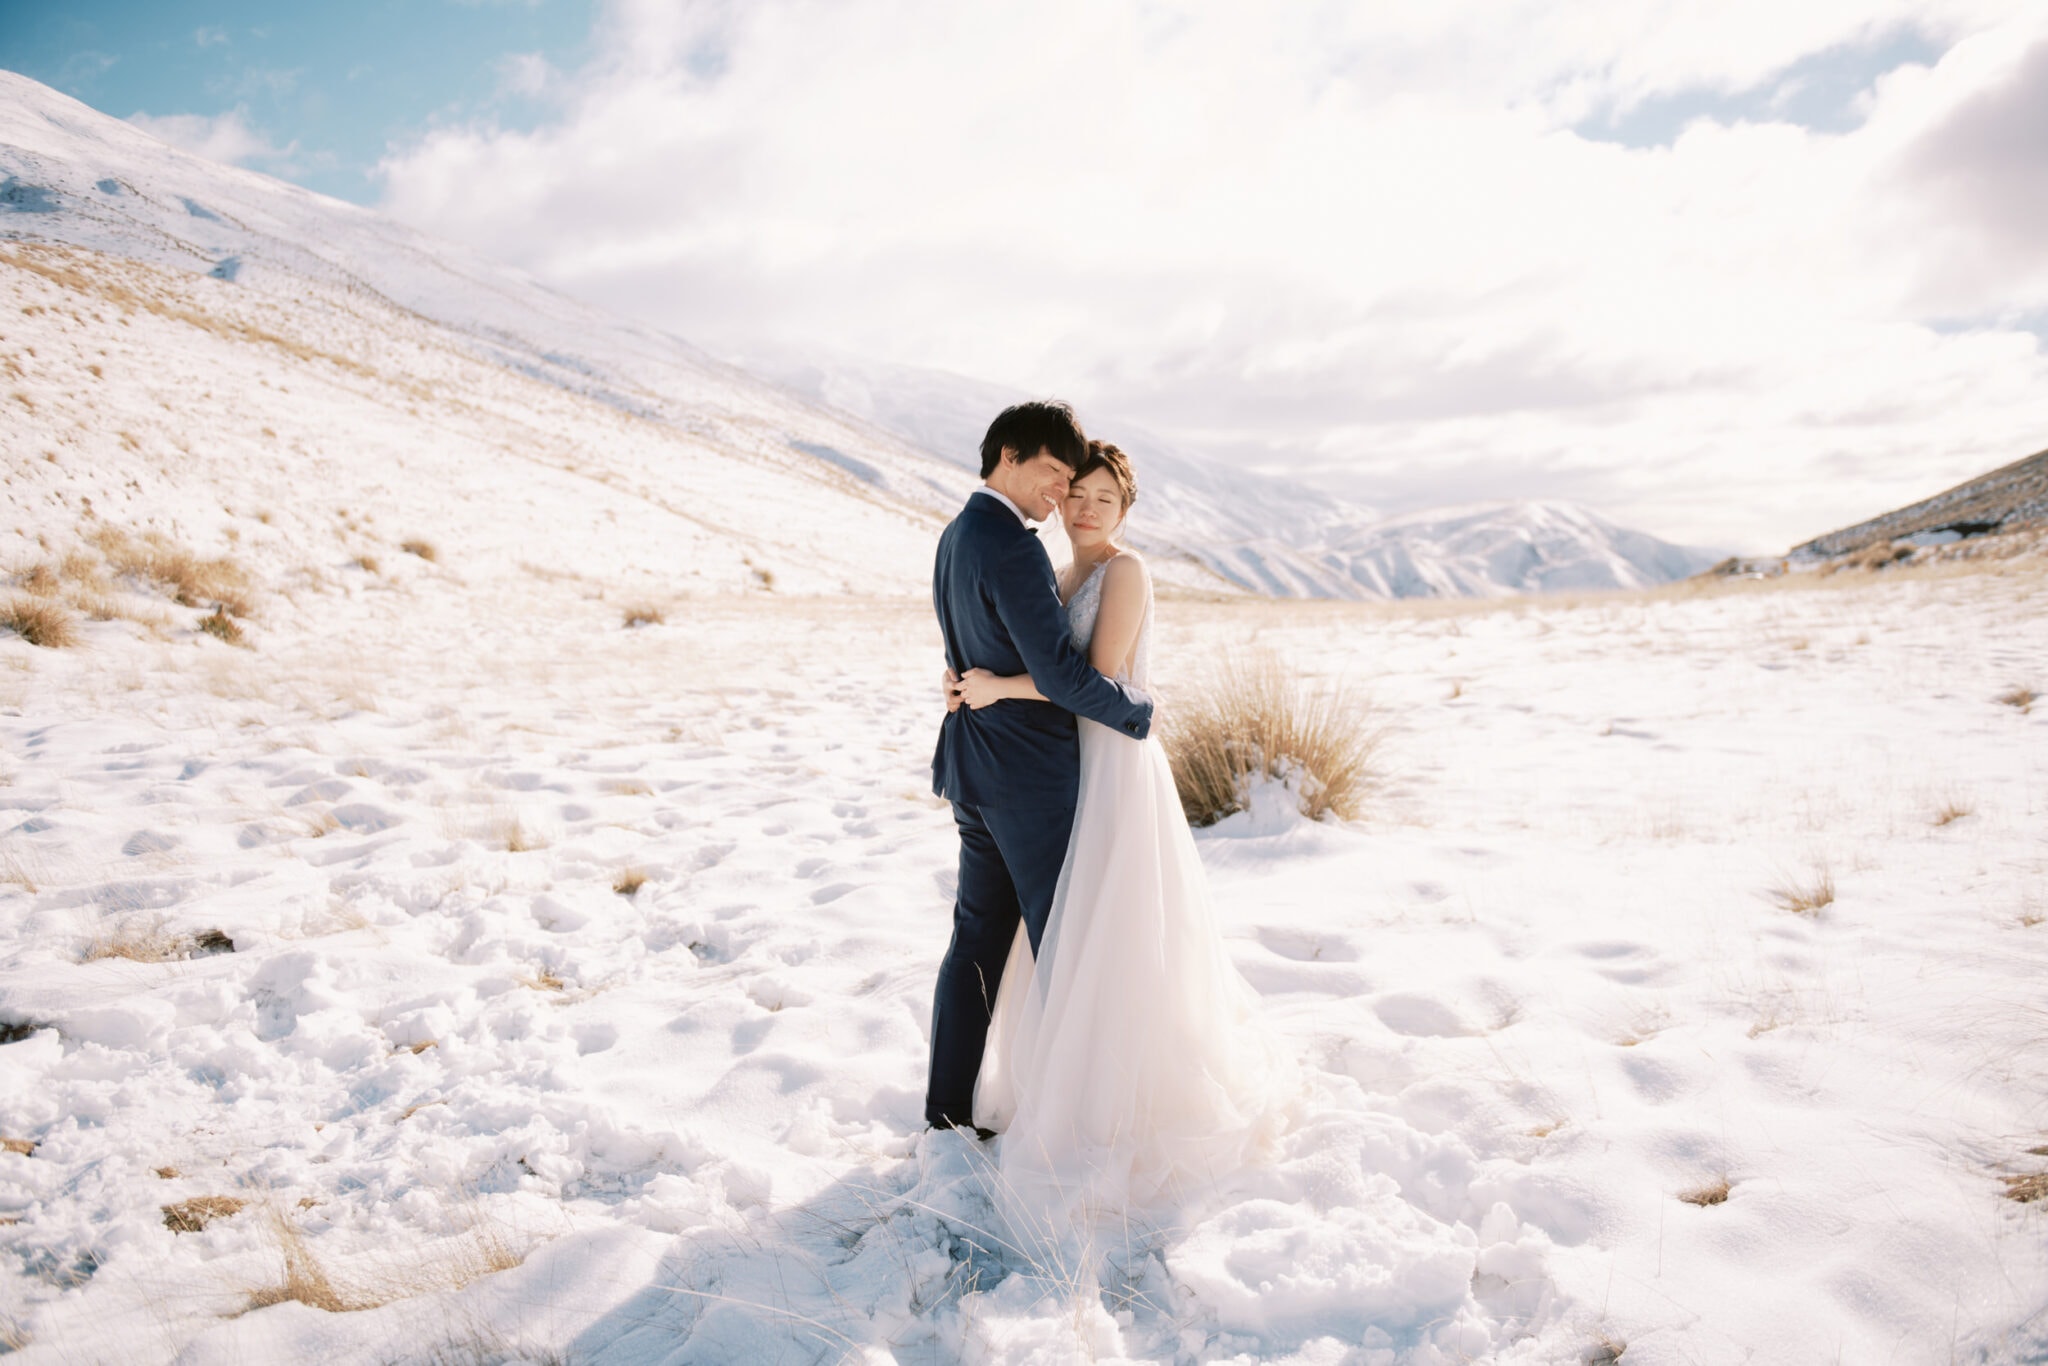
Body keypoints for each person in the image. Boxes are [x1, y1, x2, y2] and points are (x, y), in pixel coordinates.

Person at [950, 440, 1295, 1232]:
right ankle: (1059, 1081)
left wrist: (1000, 686)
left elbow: (1093, 682)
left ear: (1126, 509)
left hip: (1111, 760)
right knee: (1071, 924)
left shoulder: (1124, 572)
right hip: (1063, 766)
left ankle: (1119, 1100)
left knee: (1111, 925)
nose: (1086, 510)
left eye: (1105, 499)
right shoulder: (1058, 569)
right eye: (1076, 494)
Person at [925, 401, 1154, 1140]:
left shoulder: (957, 534)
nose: (1062, 496)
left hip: (977, 769)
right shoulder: (1018, 548)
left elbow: (979, 643)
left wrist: (970, 683)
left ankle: (948, 1115)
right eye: (1056, 476)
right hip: (1027, 778)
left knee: (979, 943)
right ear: (1010, 456)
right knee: (1065, 946)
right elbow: (1060, 674)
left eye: (1082, 487)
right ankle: (1073, 1122)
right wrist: (1137, 712)